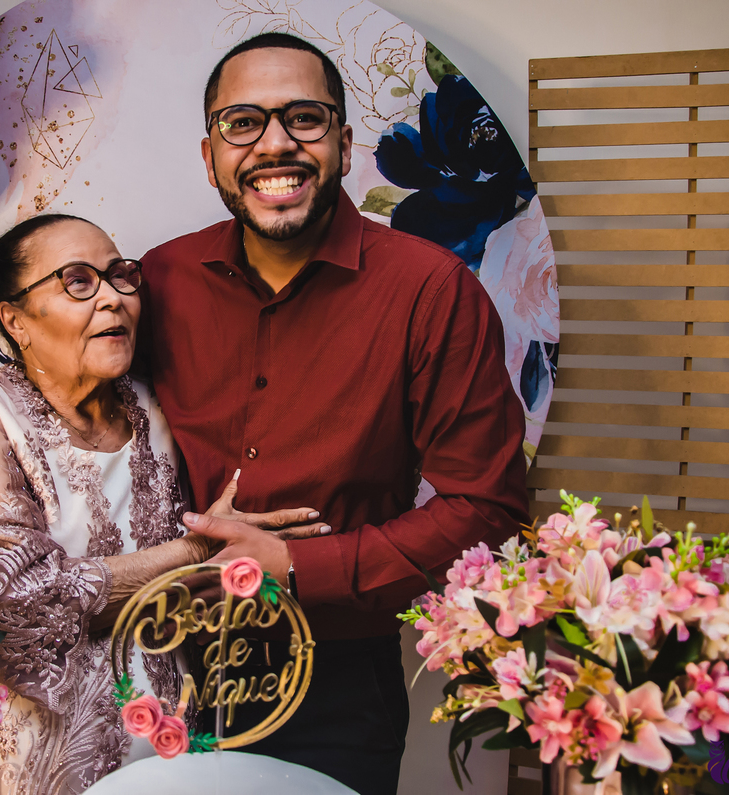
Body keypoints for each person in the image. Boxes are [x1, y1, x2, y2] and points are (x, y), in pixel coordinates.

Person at [135, 33, 530, 795]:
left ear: (345, 145)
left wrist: (298, 568)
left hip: (333, 674)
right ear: (211, 154)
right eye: (242, 123)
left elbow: (488, 505)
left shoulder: (431, 290)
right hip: (156, 653)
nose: (274, 144)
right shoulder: (161, 277)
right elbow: (78, 417)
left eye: (304, 119)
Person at [0, 214, 325, 795]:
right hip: (31, 761)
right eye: (77, 282)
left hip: (176, 755)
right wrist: (197, 548)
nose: (113, 299)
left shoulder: (159, 407)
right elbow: (12, 603)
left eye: (121, 278)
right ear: (14, 319)